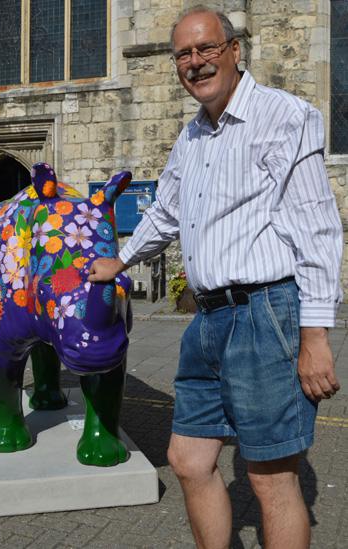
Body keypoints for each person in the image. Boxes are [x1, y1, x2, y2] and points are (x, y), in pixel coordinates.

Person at [88, 6, 343, 548]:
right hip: (207, 322)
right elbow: (165, 212)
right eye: (183, 53)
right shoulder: (191, 137)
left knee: (270, 478)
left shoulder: (284, 117)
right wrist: (123, 259)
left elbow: (317, 231)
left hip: (264, 315)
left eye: (206, 48)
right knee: (187, 458)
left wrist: (316, 335)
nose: (195, 62)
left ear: (233, 50)